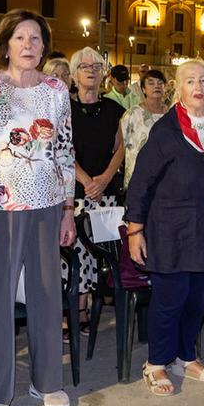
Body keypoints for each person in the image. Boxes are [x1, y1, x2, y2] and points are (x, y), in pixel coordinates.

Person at [0, 9, 77, 406]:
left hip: (48, 204)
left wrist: (68, 210)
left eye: (35, 38)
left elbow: (64, 152)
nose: (28, 45)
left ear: (44, 46)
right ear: (5, 45)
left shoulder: (55, 91)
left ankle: (47, 381)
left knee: (48, 294)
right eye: (20, 38)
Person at [125, 59, 204, 395]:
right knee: (170, 299)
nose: (198, 86)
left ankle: (185, 357)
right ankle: (156, 362)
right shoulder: (167, 130)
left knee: (200, 299)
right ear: (178, 89)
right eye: (190, 81)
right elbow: (140, 183)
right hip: (170, 230)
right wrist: (134, 231)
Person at [67, 46, 125, 326]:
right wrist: (88, 181)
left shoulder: (114, 108)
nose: (91, 71)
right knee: (77, 251)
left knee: (102, 252)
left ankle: (99, 299)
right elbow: (60, 150)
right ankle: (77, 309)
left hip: (107, 193)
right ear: (74, 73)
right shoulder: (62, 107)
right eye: (85, 66)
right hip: (76, 193)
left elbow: (121, 148)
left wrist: (103, 179)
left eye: (96, 67)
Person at [120, 68, 168, 190]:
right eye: (151, 83)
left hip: (165, 180)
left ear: (165, 87)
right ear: (143, 89)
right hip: (138, 179)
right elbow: (120, 147)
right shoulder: (132, 114)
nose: (156, 86)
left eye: (160, 83)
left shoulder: (171, 114)